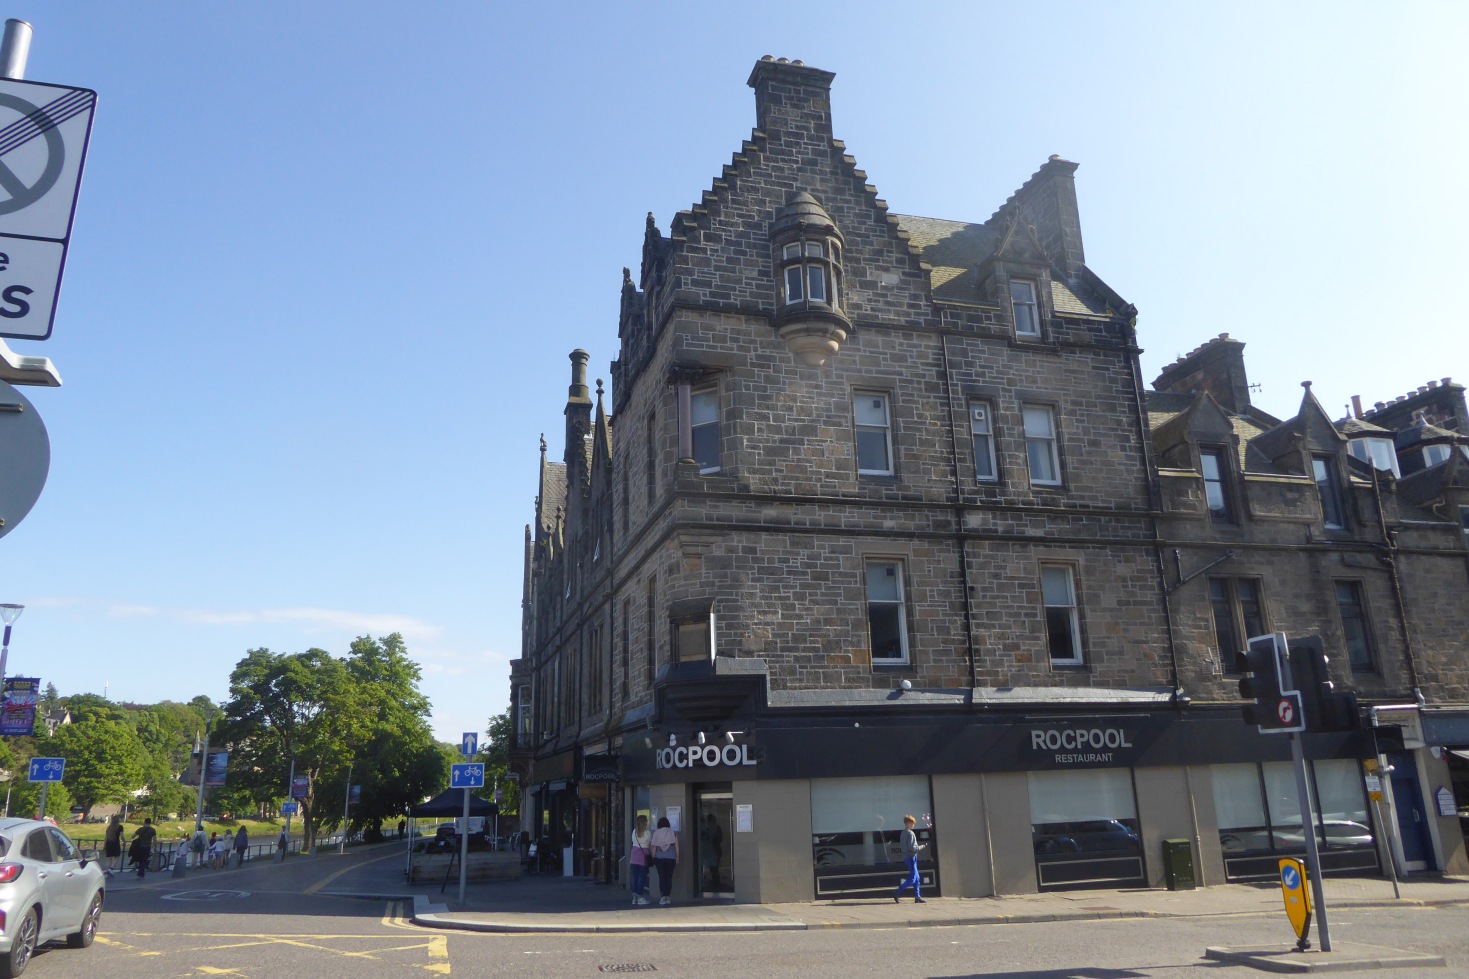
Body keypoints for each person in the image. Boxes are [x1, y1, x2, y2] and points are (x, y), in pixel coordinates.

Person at [893, 814, 926, 904]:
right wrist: (921, 847)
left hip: (906, 857)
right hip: (911, 857)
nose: (913, 825)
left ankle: (917, 896)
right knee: (913, 878)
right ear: (908, 823)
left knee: (917, 877)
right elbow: (912, 848)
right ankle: (897, 892)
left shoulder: (903, 833)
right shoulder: (910, 833)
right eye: (912, 823)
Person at [649, 816, 679, 906]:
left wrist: (653, 857)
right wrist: (677, 857)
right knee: (669, 877)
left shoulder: (656, 833)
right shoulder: (673, 832)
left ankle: (663, 897)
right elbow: (676, 846)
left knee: (662, 877)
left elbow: (654, 847)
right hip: (671, 858)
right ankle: (668, 897)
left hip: (660, 858)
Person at [628, 814, 652, 906]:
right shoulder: (647, 833)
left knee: (635, 877)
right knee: (642, 877)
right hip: (643, 856)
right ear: (645, 822)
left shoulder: (634, 831)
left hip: (634, 856)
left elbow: (633, 841)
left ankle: (634, 897)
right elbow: (649, 842)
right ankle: (640, 897)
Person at [699, 813, 723, 891]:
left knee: (712, 869)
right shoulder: (715, 827)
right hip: (713, 850)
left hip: (710, 850)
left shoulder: (707, 828)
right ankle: (715, 885)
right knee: (714, 869)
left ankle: (714, 885)